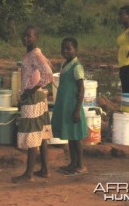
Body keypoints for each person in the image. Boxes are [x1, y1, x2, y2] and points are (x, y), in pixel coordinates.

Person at [12, 25, 53, 183]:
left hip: (33, 97)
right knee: (41, 134)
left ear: (36, 37)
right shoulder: (33, 53)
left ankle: (28, 174)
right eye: (24, 35)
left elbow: (48, 74)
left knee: (31, 135)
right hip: (38, 96)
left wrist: (31, 89)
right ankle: (45, 169)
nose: (25, 38)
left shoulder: (35, 54)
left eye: (29, 36)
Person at [51, 37, 88, 176]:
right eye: (63, 48)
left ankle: (81, 165)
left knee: (76, 136)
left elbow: (81, 89)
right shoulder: (65, 63)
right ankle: (73, 163)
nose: (65, 51)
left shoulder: (77, 66)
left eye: (68, 48)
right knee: (71, 136)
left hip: (73, 106)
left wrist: (77, 110)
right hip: (66, 105)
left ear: (75, 50)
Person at [117, 5, 129, 93]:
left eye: (121, 14)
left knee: (128, 94)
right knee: (127, 94)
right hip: (124, 66)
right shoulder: (126, 30)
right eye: (118, 15)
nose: (119, 17)